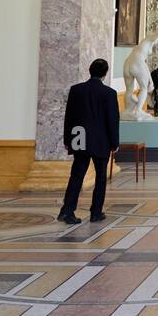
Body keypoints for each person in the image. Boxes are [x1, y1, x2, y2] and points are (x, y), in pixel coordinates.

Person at [58, 58, 120, 226]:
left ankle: (68, 211)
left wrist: (67, 139)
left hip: (80, 138)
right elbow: (112, 120)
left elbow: (69, 117)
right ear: (105, 74)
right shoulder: (109, 93)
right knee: (101, 177)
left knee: (76, 176)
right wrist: (115, 143)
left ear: (90, 70)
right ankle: (96, 212)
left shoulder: (76, 90)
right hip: (101, 142)